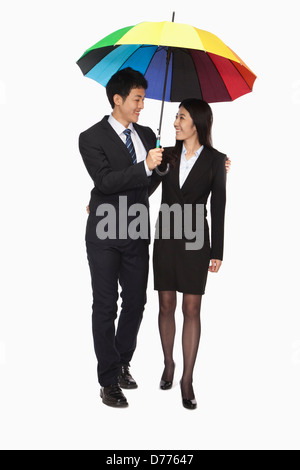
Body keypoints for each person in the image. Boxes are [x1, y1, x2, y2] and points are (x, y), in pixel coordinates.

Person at [79, 68, 163, 408]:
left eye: (143, 99)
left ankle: (122, 362)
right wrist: (143, 167)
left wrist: (157, 169)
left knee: (136, 302)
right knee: (105, 305)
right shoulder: (90, 137)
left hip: (136, 231)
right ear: (118, 99)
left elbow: (146, 186)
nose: (142, 105)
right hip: (104, 233)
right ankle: (107, 379)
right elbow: (105, 181)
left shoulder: (145, 133)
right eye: (137, 99)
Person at [150, 99, 227, 410]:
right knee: (166, 304)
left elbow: (219, 207)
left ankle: (187, 378)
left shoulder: (216, 160)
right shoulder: (165, 154)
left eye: (181, 117)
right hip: (166, 236)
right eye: (175, 117)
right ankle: (168, 364)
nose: (175, 123)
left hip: (197, 240)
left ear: (196, 122)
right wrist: (149, 163)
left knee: (191, 308)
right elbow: (144, 188)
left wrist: (218, 250)